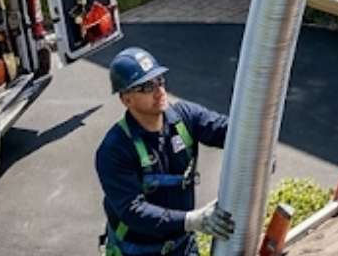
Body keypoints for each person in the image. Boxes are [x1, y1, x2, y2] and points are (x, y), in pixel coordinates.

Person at [96, 47, 235, 255]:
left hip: (182, 244)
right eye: (146, 86)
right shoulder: (114, 149)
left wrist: (259, 150)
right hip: (137, 250)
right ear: (126, 99)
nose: (159, 90)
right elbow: (133, 211)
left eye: (160, 80)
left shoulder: (185, 117)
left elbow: (229, 131)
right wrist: (191, 220)